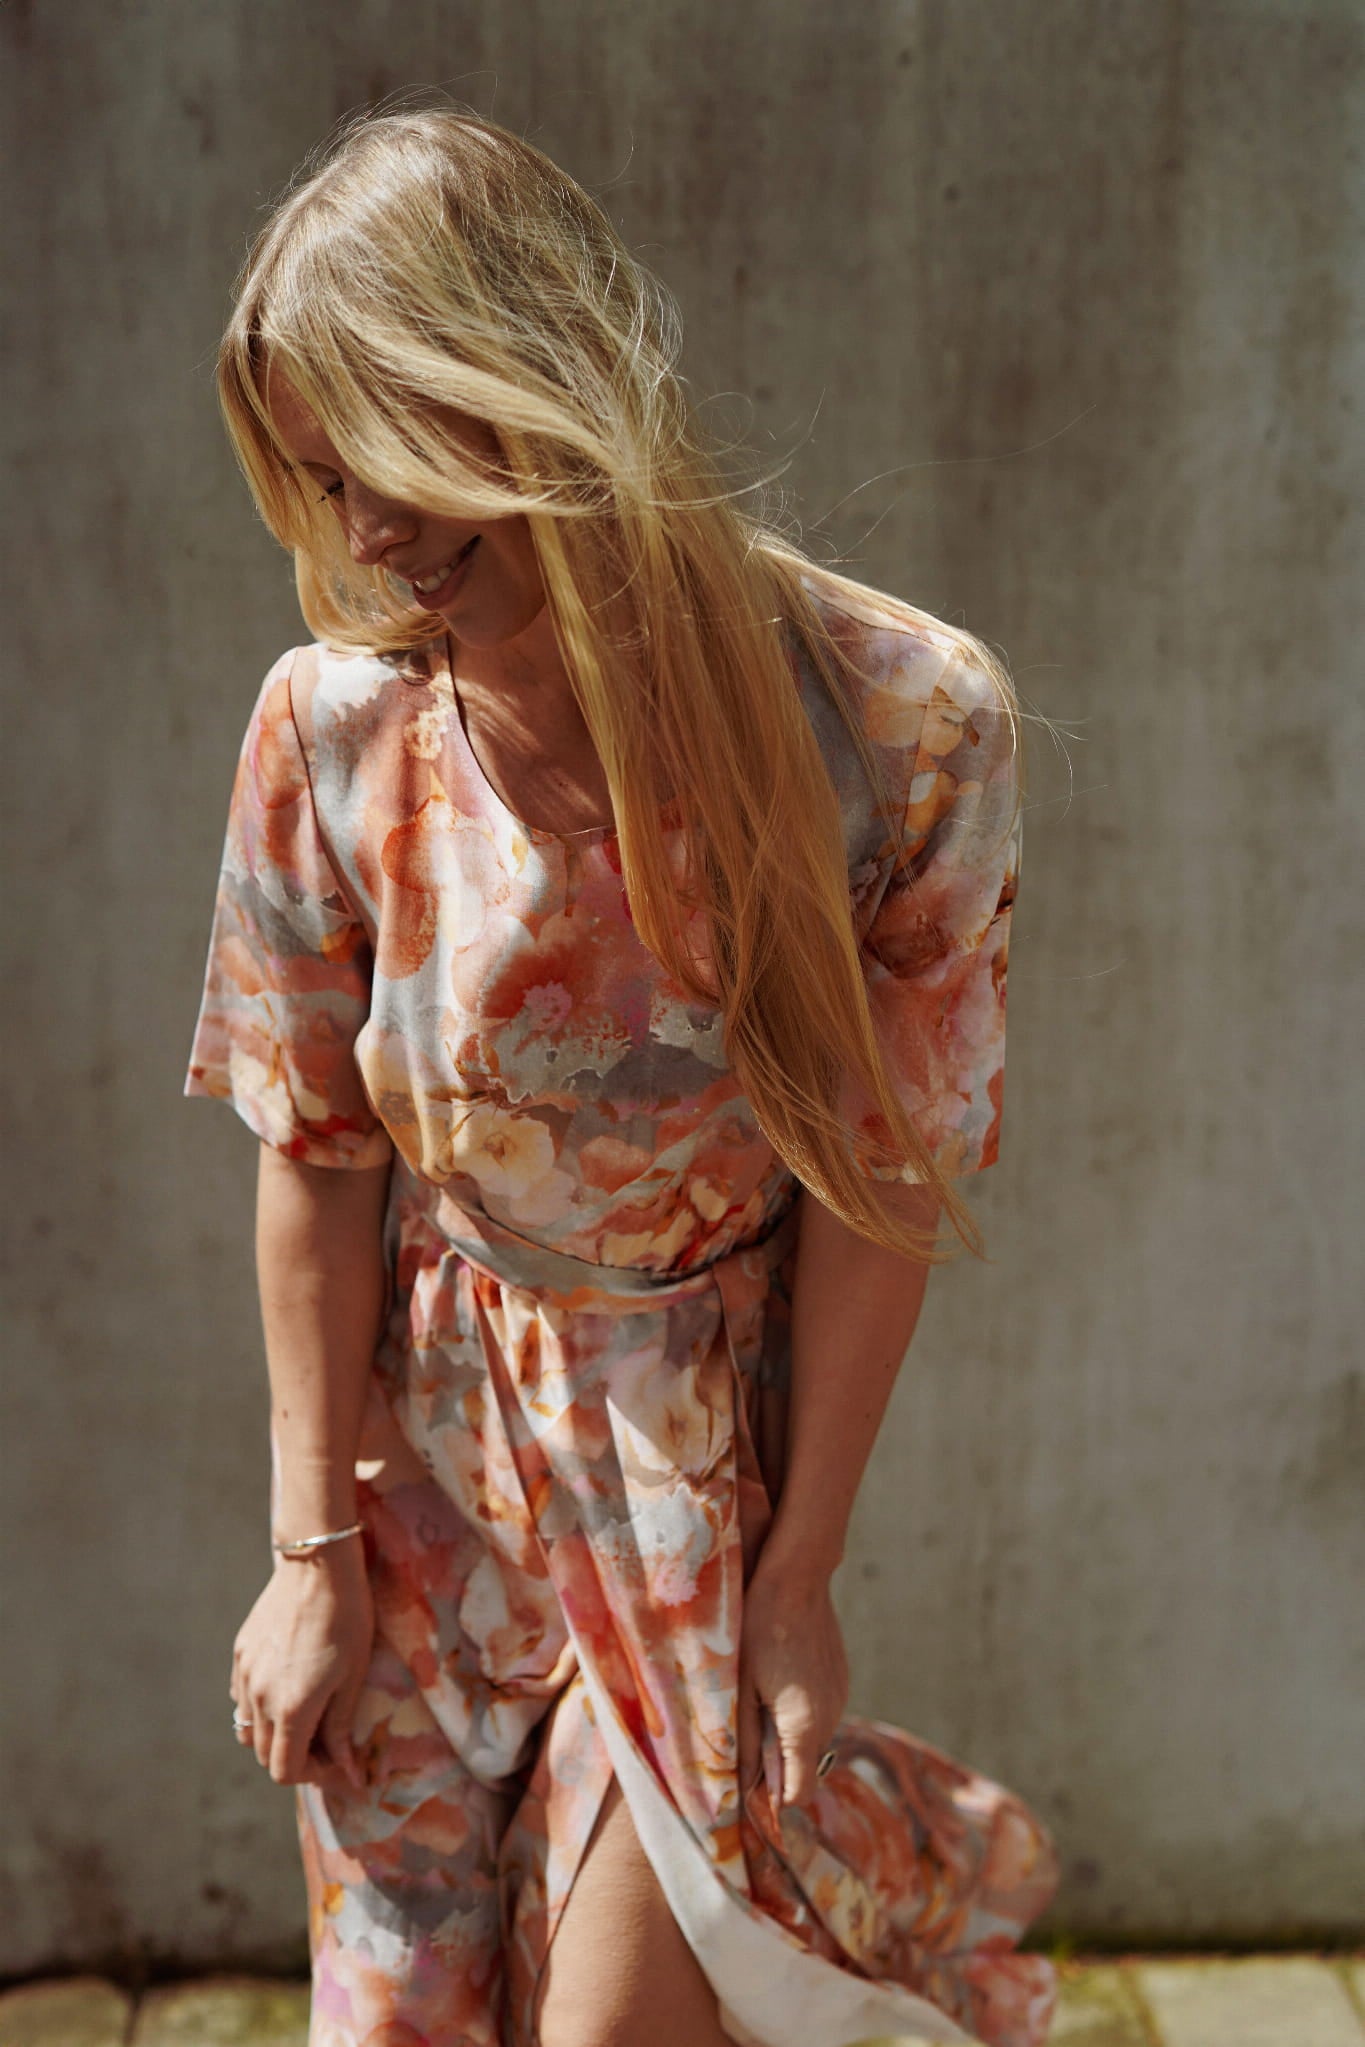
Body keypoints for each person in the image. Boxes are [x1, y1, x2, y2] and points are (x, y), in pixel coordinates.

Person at [186, 103, 1060, 2047]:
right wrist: (307, 1557)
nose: (362, 537)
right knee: (407, 2016)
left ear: (532, 375)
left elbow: (884, 1170)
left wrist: (800, 1568)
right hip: (417, 1477)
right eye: (317, 481)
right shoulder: (331, 731)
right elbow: (315, 1153)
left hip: (691, 1471)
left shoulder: (899, 723)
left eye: (387, 457)